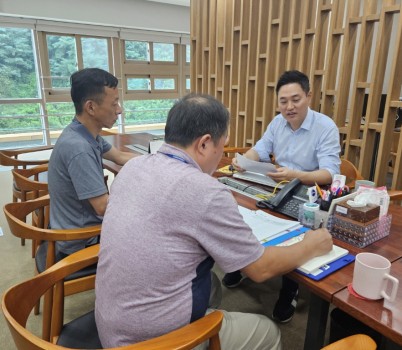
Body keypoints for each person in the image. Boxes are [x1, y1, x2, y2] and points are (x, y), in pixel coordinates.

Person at [94, 93, 333, 349]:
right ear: (205, 144)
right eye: (222, 145)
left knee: (214, 287)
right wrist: (312, 245)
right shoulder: (205, 191)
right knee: (268, 331)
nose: (221, 154)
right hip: (151, 342)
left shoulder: (134, 166)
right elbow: (260, 269)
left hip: (111, 321)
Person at [222, 70, 341, 324]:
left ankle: (290, 288)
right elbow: (261, 149)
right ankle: (242, 263)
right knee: (239, 212)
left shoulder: (325, 126)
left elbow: (330, 173)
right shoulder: (278, 123)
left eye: (296, 99)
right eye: (283, 101)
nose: (289, 107)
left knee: (294, 232)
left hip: (306, 192)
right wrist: (244, 161)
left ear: (309, 96)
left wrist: (295, 174)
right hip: (276, 184)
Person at [48, 67, 134, 260]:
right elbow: (103, 207)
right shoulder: (79, 148)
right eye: (114, 104)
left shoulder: (83, 132)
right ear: (91, 107)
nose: (119, 110)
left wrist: (160, 159)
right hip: (81, 241)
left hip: (78, 228)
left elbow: (119, 157)